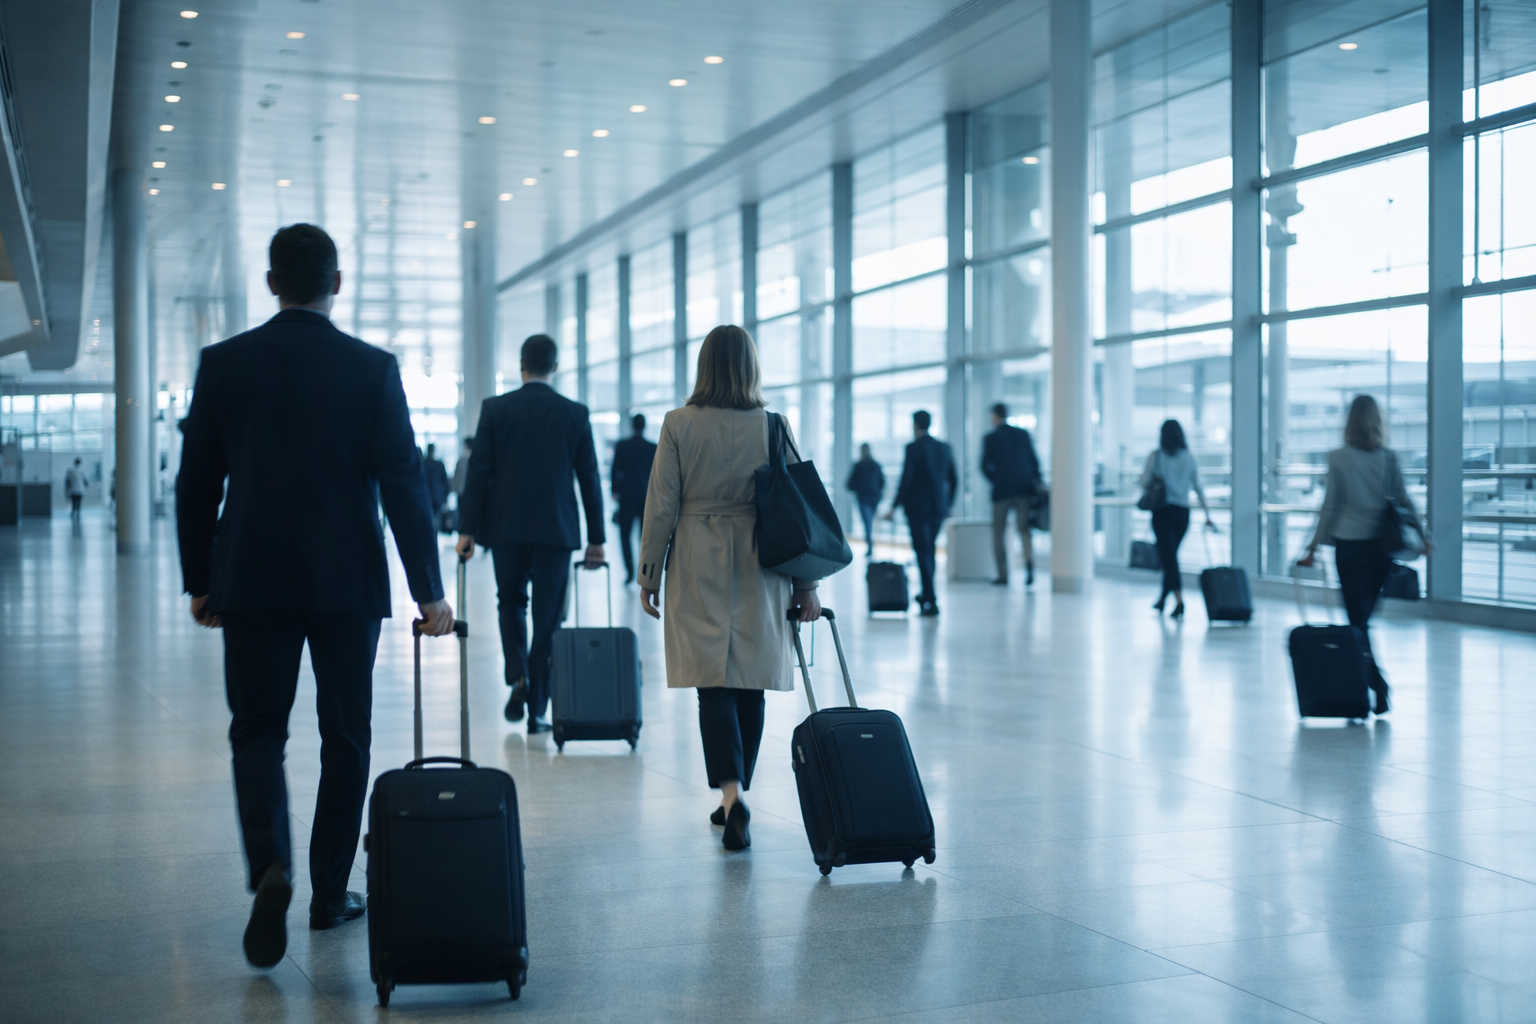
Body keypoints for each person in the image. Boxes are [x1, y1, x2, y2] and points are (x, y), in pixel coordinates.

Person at [176, 223, 452, 970]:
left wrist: (201, 579)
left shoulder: (225, 363)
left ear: (272, 283)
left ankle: (272, 868)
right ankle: (330, 893)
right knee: (346, 737)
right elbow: (405, 486)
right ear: (337, 283)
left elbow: (196, 482)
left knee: (258, 731)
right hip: (345, 581)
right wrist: (429, 591)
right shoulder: (371, 369)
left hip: (253, 578)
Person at [637, 324, 821, 852]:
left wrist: (650, 573)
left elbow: (661, 506)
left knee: (711, 684)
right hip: (761, 561)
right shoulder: (773, 425)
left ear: (704, 366)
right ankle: (737, 797)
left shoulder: (677, 424)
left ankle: (730, 794)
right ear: (751, 366)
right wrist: (805, 584)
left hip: (697, 555)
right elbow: (798, 511)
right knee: (750, 682)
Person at [456, 334, 605, 733]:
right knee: (548, 617)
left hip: (505, 529)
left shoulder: (496, 409)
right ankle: (537, 706)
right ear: (554, 367)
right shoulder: (574, 413)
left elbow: (479, 473)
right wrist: (597, 537)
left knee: (510, 603)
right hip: (556, 530)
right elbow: (589, 478)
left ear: (521, 365)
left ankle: (518, 674)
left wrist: (466, 529)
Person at [1298, 394, 1425, 715]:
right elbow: (1404, 501)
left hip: (1349, 546)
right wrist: (1424, 536)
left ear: (1349, 422)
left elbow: (1330, 506)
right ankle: (1372, 684)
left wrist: (1312, 548)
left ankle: (1375, 684)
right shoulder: (1390, 458)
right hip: (1381, 549)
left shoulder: (1338, 458)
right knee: (1362, 619)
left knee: (1357, 621)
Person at [1140, 419, 1213, 619]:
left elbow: (1144, 481)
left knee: (1169, 558)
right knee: (1170, 556)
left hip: (1163, 512)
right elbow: (1198, 487)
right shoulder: (1189, 458)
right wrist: (1207, 515)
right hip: (1183, 513)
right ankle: (1163, 598)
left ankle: (1179, 601)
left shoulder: (1156, 456)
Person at [888, 410, 957, 617]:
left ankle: (931, 599)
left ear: (915, 425)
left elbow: (907, 479)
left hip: (918, 508)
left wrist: (894, 506)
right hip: (938, 508)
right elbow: (954, 479)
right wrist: (948, 504)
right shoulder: (944, 448)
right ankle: (927, 595)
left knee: (923, 551)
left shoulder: (913, 448)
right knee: (930, 551)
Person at [981, 403, 1041, 586]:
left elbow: (984, 465)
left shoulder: (991, 438)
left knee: (998, 533)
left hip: (1002, 491)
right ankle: (1029, 564)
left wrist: (996, 479)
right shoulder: (1022, 434)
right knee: (1024, 530)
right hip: (1023, 489)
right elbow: (1033, 460)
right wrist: (1036, 482)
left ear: (994, 415)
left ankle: (1003, 574)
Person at [611, 413, 657, 584]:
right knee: (645, 538)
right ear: (644, 426)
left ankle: (630, 571)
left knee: (625, 535)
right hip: (647, 496)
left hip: (627, 496)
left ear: (632, 425)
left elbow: (615, 470)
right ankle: (644, 572)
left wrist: (615, 491)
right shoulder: (653, 447)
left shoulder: (622, 445)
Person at [846, 443, 885, 558]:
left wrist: (859, 488)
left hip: (864, 498)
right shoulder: (876, 465)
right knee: (869, 522)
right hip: (874, 498)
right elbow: (882, 482)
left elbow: (849, 484)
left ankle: (870, 546)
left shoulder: (859, 466)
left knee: (867, 522)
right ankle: (870, 545)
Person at [423, 443, 450, 528]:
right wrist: (445, 496)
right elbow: (445, 481)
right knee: (436, 519)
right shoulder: (439, 464)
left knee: (428, 518)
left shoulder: (423, 464)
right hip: (437, 496)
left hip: (426, 495)